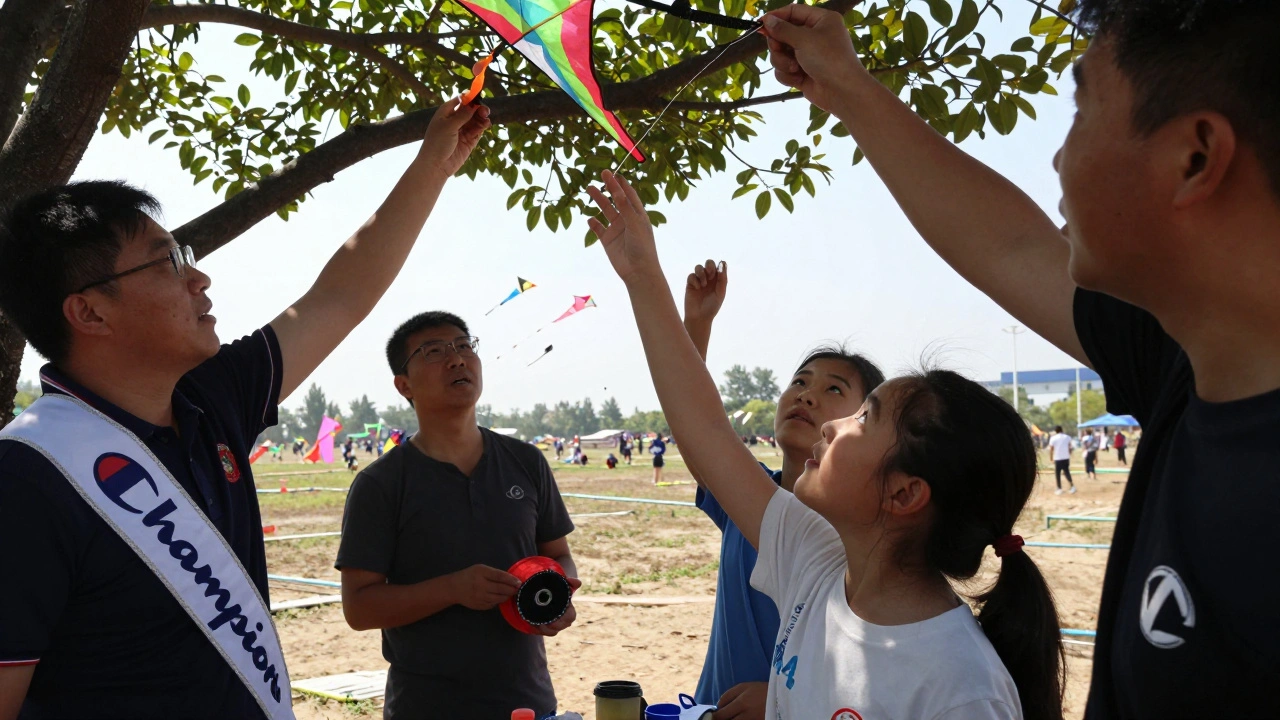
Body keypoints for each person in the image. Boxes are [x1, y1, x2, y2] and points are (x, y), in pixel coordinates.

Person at [761, 1, 1280, 714]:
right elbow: (1008, 246)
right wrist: (843, 83)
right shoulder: (1183, 364)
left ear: (1194, 157)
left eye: (1081, 108)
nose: (1058, 158)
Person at [0, 98, 490, 719]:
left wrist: (432, 164)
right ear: (90, 311)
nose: (198, 278)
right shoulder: (29, 477)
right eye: (169, 261)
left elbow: (338, 298)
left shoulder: (210, 397)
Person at [588, 170, 1064, 720]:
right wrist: (643, 274)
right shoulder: (816, 566)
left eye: (863, 418)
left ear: (905, 494)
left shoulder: (960, 688)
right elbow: (705, 430)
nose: (832, 425)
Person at [335, 311, 578, 719]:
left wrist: (557, 594)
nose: (457, 359)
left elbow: (559, 555)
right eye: (434, 351)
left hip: (526, 701)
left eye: (465, 346)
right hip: (425, 705)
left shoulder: (525, 462)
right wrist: (452, 589)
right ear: (404, 384)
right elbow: (358, 608)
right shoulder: (380, 484)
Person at [680, 259, 885, 715]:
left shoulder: (863, 531)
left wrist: (780, 701)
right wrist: (696, 324)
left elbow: (873, 667)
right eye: (799, 381)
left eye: (834, 390)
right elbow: (696, 426)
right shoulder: (746, 494)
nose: (806, 395)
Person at [1048, 426, 1076, 495]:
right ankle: (1072, 486)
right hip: (1066, 458)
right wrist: (1069, 454)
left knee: (1058, 473)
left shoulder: (1053, 438)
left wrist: (1051, 458)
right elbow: (1070, 447)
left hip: (1057, 458)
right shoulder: (1067, 437)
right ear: (1062, 430)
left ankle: (1059, 488)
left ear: (1056, 431)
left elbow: (1051, 449)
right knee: (1066, 472)